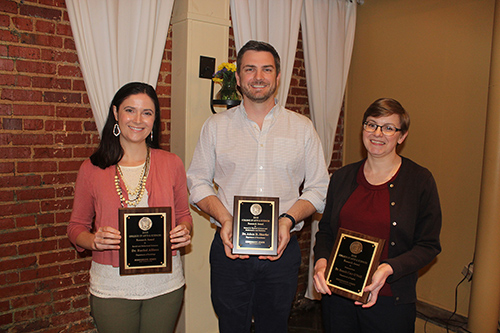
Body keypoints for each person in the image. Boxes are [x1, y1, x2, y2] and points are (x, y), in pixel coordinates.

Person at [186, 40, 329, 333]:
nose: (258, 76)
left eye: (267, 69)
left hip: (282, 249)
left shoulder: (302, 128)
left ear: (278, 77)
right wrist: (226, 219)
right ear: (238, 78)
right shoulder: (215, 127)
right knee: (231, 327)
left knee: (274, 327)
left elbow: (319, 188)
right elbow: (197, 181)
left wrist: (288, 220)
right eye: (250, 69)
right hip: (229, 250)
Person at [67, 82, 192, 333]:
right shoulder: (92, 168)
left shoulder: (172, 163)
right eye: (130, 110)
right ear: (115, 113)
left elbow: (184, 216)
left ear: (155, 119)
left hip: (165, 285)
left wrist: (183, 231)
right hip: (112, 286)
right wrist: (94, 241)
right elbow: (76, 227)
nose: (138, 120)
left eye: (147, 112)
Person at [313, 98, 442, 332]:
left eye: (389, 128)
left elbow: (428, 246)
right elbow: (326, 233)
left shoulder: (419, 181)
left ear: (401, 136)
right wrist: (321, 264)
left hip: (389, 301)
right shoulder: (342, 177)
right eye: (371, 124)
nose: (377, 133)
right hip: (338, 296)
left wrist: (388, 268)